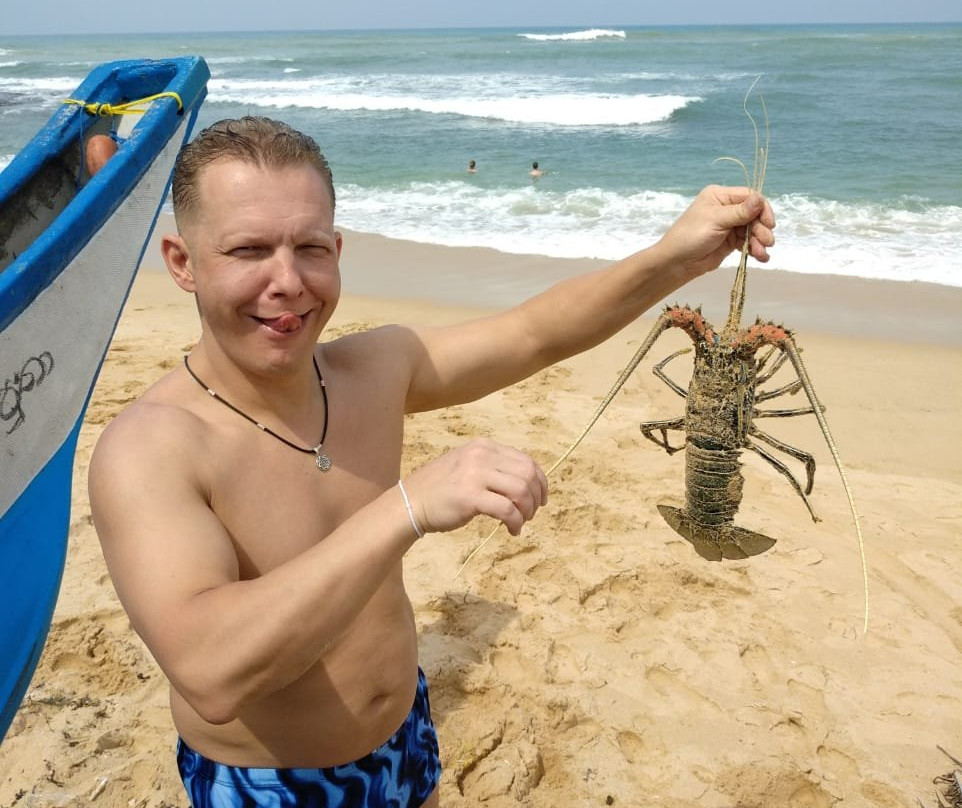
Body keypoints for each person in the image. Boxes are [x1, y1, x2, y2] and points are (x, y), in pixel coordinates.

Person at [88, 116, 775, 807]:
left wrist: (675, 259)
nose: (288, 281)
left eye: (310, 248)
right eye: (248, 251)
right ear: (183, 262)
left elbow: (535, 334)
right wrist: (407, 507)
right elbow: (211, 671)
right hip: (271, 784)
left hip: (405, 735)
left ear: (338, 249)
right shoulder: (150, 447)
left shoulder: (372, 368)